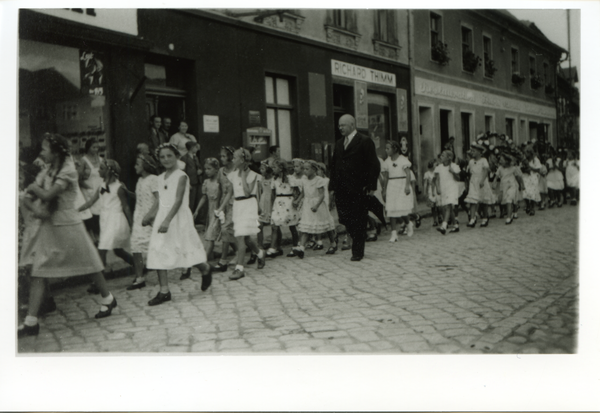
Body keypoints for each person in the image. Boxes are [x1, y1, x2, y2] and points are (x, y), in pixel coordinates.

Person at [19, 134, 117, 338]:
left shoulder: (68, 170)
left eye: (45, 149)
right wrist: (35, 206)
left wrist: (33, 189)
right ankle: (31, 322)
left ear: (55, 152)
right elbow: (30, 199)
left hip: (69, 223)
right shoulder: (47, 171)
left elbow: (46, 195)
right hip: (50, 225)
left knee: (90, 263)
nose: (41, 153)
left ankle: (108, 298)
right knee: (39, 269)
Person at [143, 143, 213, 306]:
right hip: (163, 217)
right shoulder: (160, 178)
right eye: (162, 157)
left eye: (169, 156)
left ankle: (205, 269)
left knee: (185, 249)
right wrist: (151, 214)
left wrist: (168, 220)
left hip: (178, 217)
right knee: (158, 250)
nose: (166, 159)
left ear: (176, 157)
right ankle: (164, 291)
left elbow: (178, 200)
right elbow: (160, 200)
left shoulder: (181, 176)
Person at [329, 114, 380, 261]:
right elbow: (334, 166)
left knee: (358, 218)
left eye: (343, 125)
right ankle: (360, 234)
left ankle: (357, 251)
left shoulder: (364, 141)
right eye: (339, 125)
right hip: (341, 188)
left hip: (359, 188)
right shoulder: (339, 143)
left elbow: (374, 164)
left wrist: (371, 185)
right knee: (344, 218)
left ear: (352, 125)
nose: (340, 128)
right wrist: (332, 187)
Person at [78, 159, 135, 292]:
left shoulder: (119, 187)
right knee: (117, 250)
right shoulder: (102, 185)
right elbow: (90, 202)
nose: (98, 171)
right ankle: (138, 265)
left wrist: (132, 224)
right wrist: (76, 210)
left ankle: (98, 284)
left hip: (115, 220)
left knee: (102, 249)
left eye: (101, 168)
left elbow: (126, 207)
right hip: (105, 220)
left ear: (108, 171)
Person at [222, 148, 266, 280]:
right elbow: (230, 192)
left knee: (240, 237)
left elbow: (247, 192)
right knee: (245, 237)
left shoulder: (253, 175)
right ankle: (260, 253)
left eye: (235, 158)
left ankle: (239, 268)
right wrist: (220, 208)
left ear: (242, 160)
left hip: (248, 205)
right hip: (238, 206)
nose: (232, 160)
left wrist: (242, 176)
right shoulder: (233, 174)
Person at [126, 153, 159, 290]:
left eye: (137, 164)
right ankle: (139, 277)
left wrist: (150, 215)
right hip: (139, 217)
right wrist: (127, 192)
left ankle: (162, 274)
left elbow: (158, 200)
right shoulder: (140, 181)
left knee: (154, 246)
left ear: (145, 166)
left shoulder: (154, 179)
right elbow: (140, 197)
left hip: (150, 218)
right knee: (135, 245)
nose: (135, 167)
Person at [293, 160, 338, 258]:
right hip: (307, 204)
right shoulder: (304, 179)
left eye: (307, 169)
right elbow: (303, 193)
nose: (305, 171)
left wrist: (317, 205)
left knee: (326, 226)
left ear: (314, 170)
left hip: (318, 205)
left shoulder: (319, 180)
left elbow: (322, 195)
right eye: (303, 168)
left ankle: (333, 243)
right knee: (306, 226)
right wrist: (297, 200)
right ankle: (301, 248)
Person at [212, 146, 239, 272]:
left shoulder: (237, 170)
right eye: (221, 156)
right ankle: (240, 252)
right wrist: (217, 206)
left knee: (225, 229)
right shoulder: (221, 171)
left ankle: (223, 260)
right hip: (224, 203)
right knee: (227, 231)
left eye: (223, 156)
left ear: (230, 156)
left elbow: (233, 191)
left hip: (235, 203)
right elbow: (220, 189)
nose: (221, 158)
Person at [381, 141, 414, 242]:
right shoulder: (386, 162)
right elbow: (386, 177)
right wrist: (384, 189)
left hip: (402, 184)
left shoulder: (403, 160)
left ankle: (408, 224)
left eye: (388, 148)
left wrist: (407, 186)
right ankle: (394, 234)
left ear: (395, 149)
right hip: (392, 185)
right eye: (386, 148)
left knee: (402, 209)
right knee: (391, 209)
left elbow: (408, 174)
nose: (386, 150)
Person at [267, 158, 300, 258]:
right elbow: (272, 194)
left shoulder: (290, 178)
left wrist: (296, 201)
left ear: (281, 168)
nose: (273, 169)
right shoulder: (274, 179)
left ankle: (295, 246)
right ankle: (274, 248)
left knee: (292, 225)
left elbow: (297, 191)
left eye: (275, 167)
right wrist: (271, 207)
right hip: (278, 203)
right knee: (275, 225)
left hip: (289, 202)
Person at [193, 158, 223, 263]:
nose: (206, 171)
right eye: (205, 169)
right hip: (211, 211)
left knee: (212, 235)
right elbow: (204, 197)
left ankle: (203, 260)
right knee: (213, 234)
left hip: (219, 210)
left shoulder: (220, 182)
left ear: (216, 169)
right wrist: (197, 210)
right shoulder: (206, 182)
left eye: (209, 169)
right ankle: (210, 256)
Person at [80, 137, 103, 242]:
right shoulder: (83, 161)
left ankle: (99, 237)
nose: (96, 149)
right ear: (88, 148)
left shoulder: (101, 159)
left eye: (97, 147)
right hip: (88, 192)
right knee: (91, 216)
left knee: (100, 215)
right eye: (94, 147)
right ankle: (94, 238)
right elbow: (78, 179)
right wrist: (87, 187)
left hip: (99, 192)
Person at [465, 143, 493, 228]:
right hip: (473, 182)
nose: (472, 152)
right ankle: (472, 219)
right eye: (471, 151)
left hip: (482, 182)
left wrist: (482, 180)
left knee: (483, 201)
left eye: (474, 151)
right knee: (472, 200)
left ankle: (485, 217)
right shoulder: (470, 162)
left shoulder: (483, 160)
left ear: (480, 152)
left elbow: (485, 171)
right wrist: (469, 183)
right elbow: (470, 173)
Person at [434, 150, 461, 235]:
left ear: (448, 158)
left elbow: (458, 178)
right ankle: (455, 226)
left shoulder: (454, 166)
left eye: (443, 156)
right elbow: (437, 179)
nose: (441, 157)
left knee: (448, 206)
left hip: (452, 188)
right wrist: (438, 188)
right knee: (448, 207)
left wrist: (452, 172)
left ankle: (444, 226)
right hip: (443, 188)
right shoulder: (439, 167)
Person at [494, 152, 524, 225]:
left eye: (501, 160)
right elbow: (496, 176)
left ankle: (508, 217)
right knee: (505, 201)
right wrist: (494, 182)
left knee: (509, 200)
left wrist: (521, 185)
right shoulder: (500, 168)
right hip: (504, 186)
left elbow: (518, 177)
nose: (500, 161)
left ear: (507, 161)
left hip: (512, 186)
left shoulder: (513, 168)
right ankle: (510, 213)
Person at [256, 160, 274, 257]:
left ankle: (274, 245)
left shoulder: (273, 179)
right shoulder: (260, 179)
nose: (260, 170)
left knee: (274, 224)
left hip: (271, 201)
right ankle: (260, 245)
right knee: (260, 224)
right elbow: (259, 192)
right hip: (263, 201)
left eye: (263, 168)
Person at [180, 140, 203, 213]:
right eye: (195, 147)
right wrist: (187, 183)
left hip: (197, 181)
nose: (196, 148)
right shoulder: (184, 158)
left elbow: (199, 167)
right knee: (190, 201)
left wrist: (200, 171)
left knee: (197, 200)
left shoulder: (195, 157)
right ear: (191, 148)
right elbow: (183, 171)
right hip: (190, 182)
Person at [423, 160, 439, 227]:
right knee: (433, 206)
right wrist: (424, 191)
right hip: (431, 189)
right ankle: (435, 219)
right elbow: (425, 183)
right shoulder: (427, 174)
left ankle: (440, 216)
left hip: (437, 188)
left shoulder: (437, 173)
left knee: (438, 205)